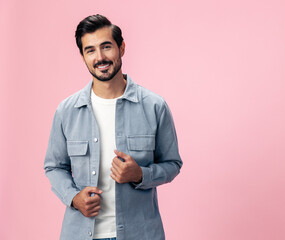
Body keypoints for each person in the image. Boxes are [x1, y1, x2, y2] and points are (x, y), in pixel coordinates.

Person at [44, 14, 182, 240]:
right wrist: (73, 197)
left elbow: (173, 163)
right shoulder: (66, 111)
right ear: (83, 56)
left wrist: (140, 174)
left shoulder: (155, 106)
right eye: (90, 50)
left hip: (141, 234)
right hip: (80, 234)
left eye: (106, 46)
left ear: (122, 48)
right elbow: (54, 166)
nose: (100, 57)